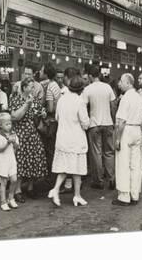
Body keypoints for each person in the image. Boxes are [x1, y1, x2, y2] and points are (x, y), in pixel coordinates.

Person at [47, 76, 90, 207]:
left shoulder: (61, 99)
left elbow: (57, 117)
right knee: (76, 168)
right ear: (81, 89)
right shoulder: (80, 101)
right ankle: (64, 192)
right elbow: (85, 123)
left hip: (62, 137)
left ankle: (74, 195)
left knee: (65, 167)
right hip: (76, 139)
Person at [10, 77, 49, 202]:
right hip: (21, 133)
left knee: (33, 161)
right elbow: (15, 117)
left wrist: (43, 113)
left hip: (32, 133)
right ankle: (17, 190)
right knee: (20, 162)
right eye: (31, 87)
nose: (34, 89)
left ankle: (31, 187)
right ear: (24, 87)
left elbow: (41, 111)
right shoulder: (16, 99)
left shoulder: (35, 100)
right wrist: (27, 105)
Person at [81, 65, 116, 190]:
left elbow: (82, 107)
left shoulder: (88, 89)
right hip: (108, 123)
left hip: (94, 124)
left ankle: (98, 180)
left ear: (90, 76)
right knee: (109, 152)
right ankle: (112, 179)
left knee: (96, 152)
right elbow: (113, 105)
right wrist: (113, 120)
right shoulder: (107, 87)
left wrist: (85, 122)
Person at [112, 73, 142, 206]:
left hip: (127, 130)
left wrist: (118, 139)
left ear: (128, 83)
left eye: (121, 81)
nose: (120, 83)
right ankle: (134, 194)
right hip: (137, 130)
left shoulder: (125, 98)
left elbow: (121, 121)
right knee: (136, 165)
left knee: (123, 164)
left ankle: (124, 196)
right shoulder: (138, 97)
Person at [0, 112, 20, 211]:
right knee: (4, 182)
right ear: (1, 125)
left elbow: (17, 147)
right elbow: (0, 149)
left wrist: (14, 142)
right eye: (6, 124)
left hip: (11, 160)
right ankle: (3, 201)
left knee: (14, 179)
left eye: (10, 123)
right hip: (3, 161)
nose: (9, 126)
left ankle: (11, 197)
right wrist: (7, 142)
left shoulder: (13, 134)